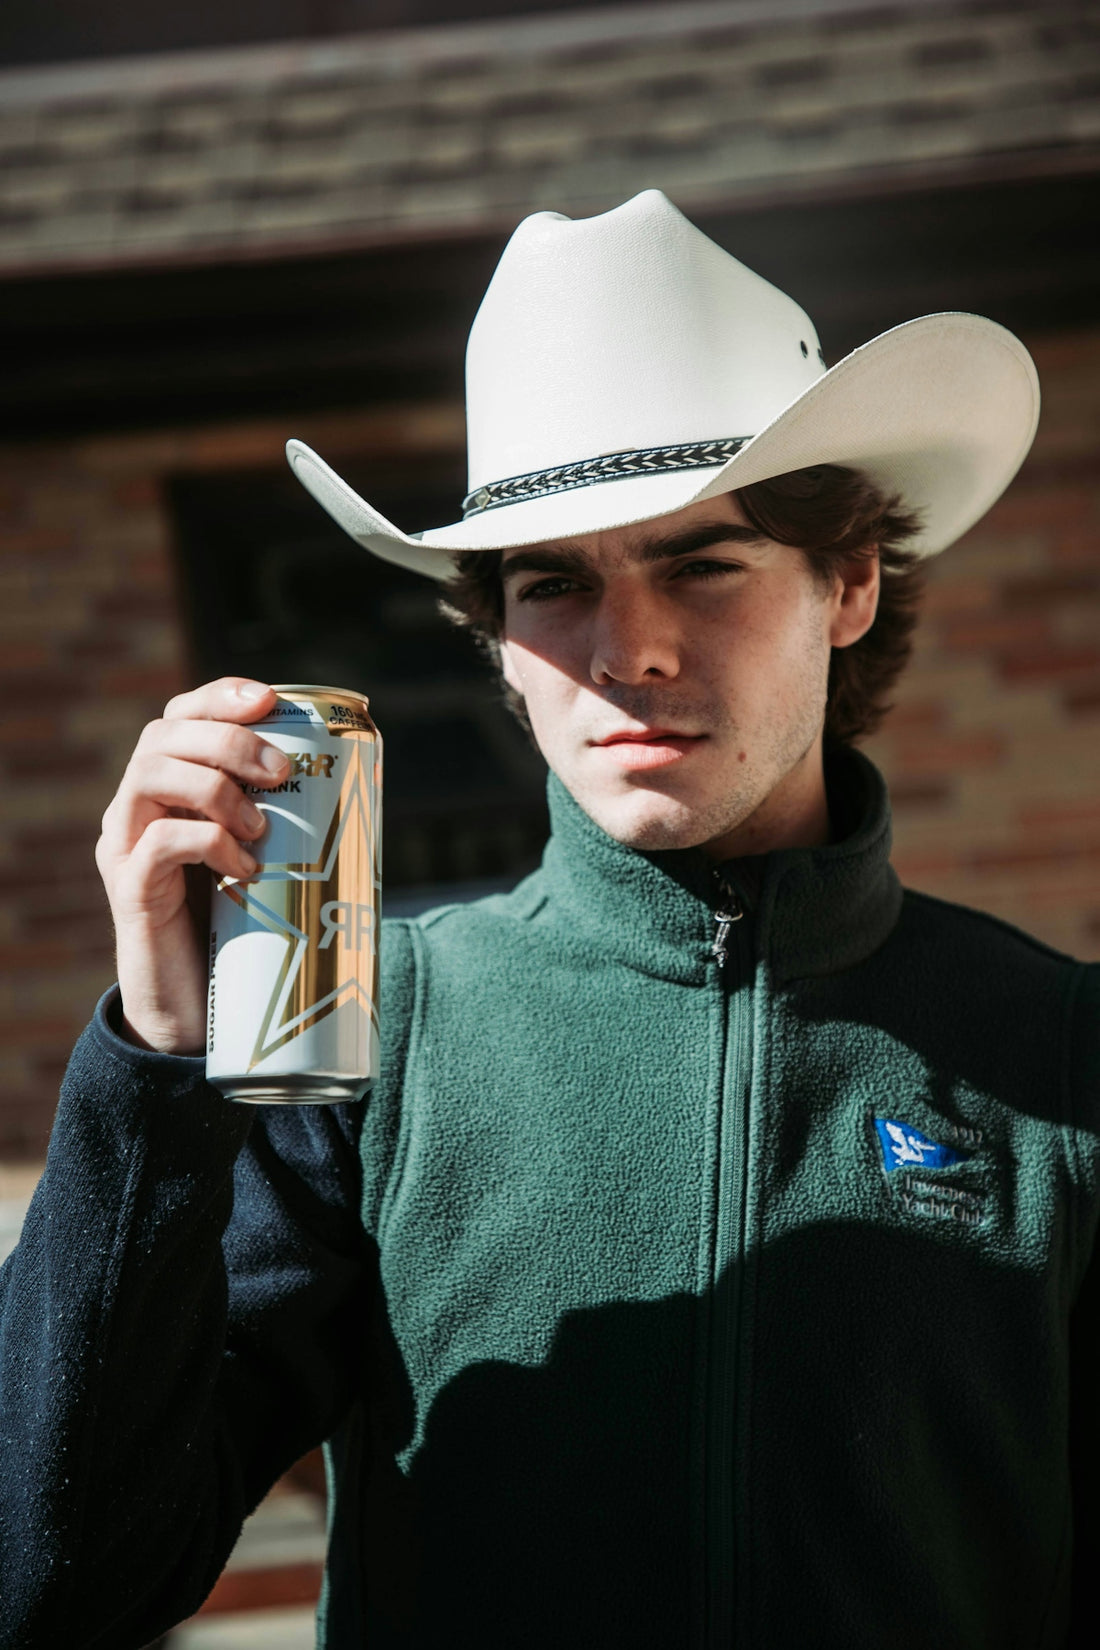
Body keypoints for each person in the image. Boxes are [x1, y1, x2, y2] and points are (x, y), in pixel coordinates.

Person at [1, 189, 1097, 1650]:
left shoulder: (1066, 1055)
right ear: (498, 646)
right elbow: (51, 1581)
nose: (625, 645)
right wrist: (153, 1061)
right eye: (553, 582)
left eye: (703, 560)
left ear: (848, 579)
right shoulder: (373, 1049)